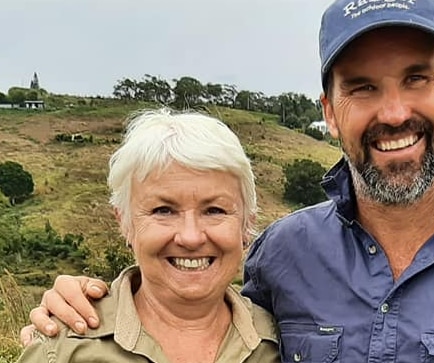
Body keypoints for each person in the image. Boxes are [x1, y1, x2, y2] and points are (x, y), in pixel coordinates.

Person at [23, 0, 434, 362]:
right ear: (329, 110)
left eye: (417, 79)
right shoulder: (281, 255)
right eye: (363, 88)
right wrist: (86, 309)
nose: (395, 113)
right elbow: (194, 316)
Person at [17, 108, 279, 362]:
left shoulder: (282, 340)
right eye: (163, 210)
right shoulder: (64, 348)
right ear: (125, 224)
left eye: (214, 210)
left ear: (247, 224)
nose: (190, 237)